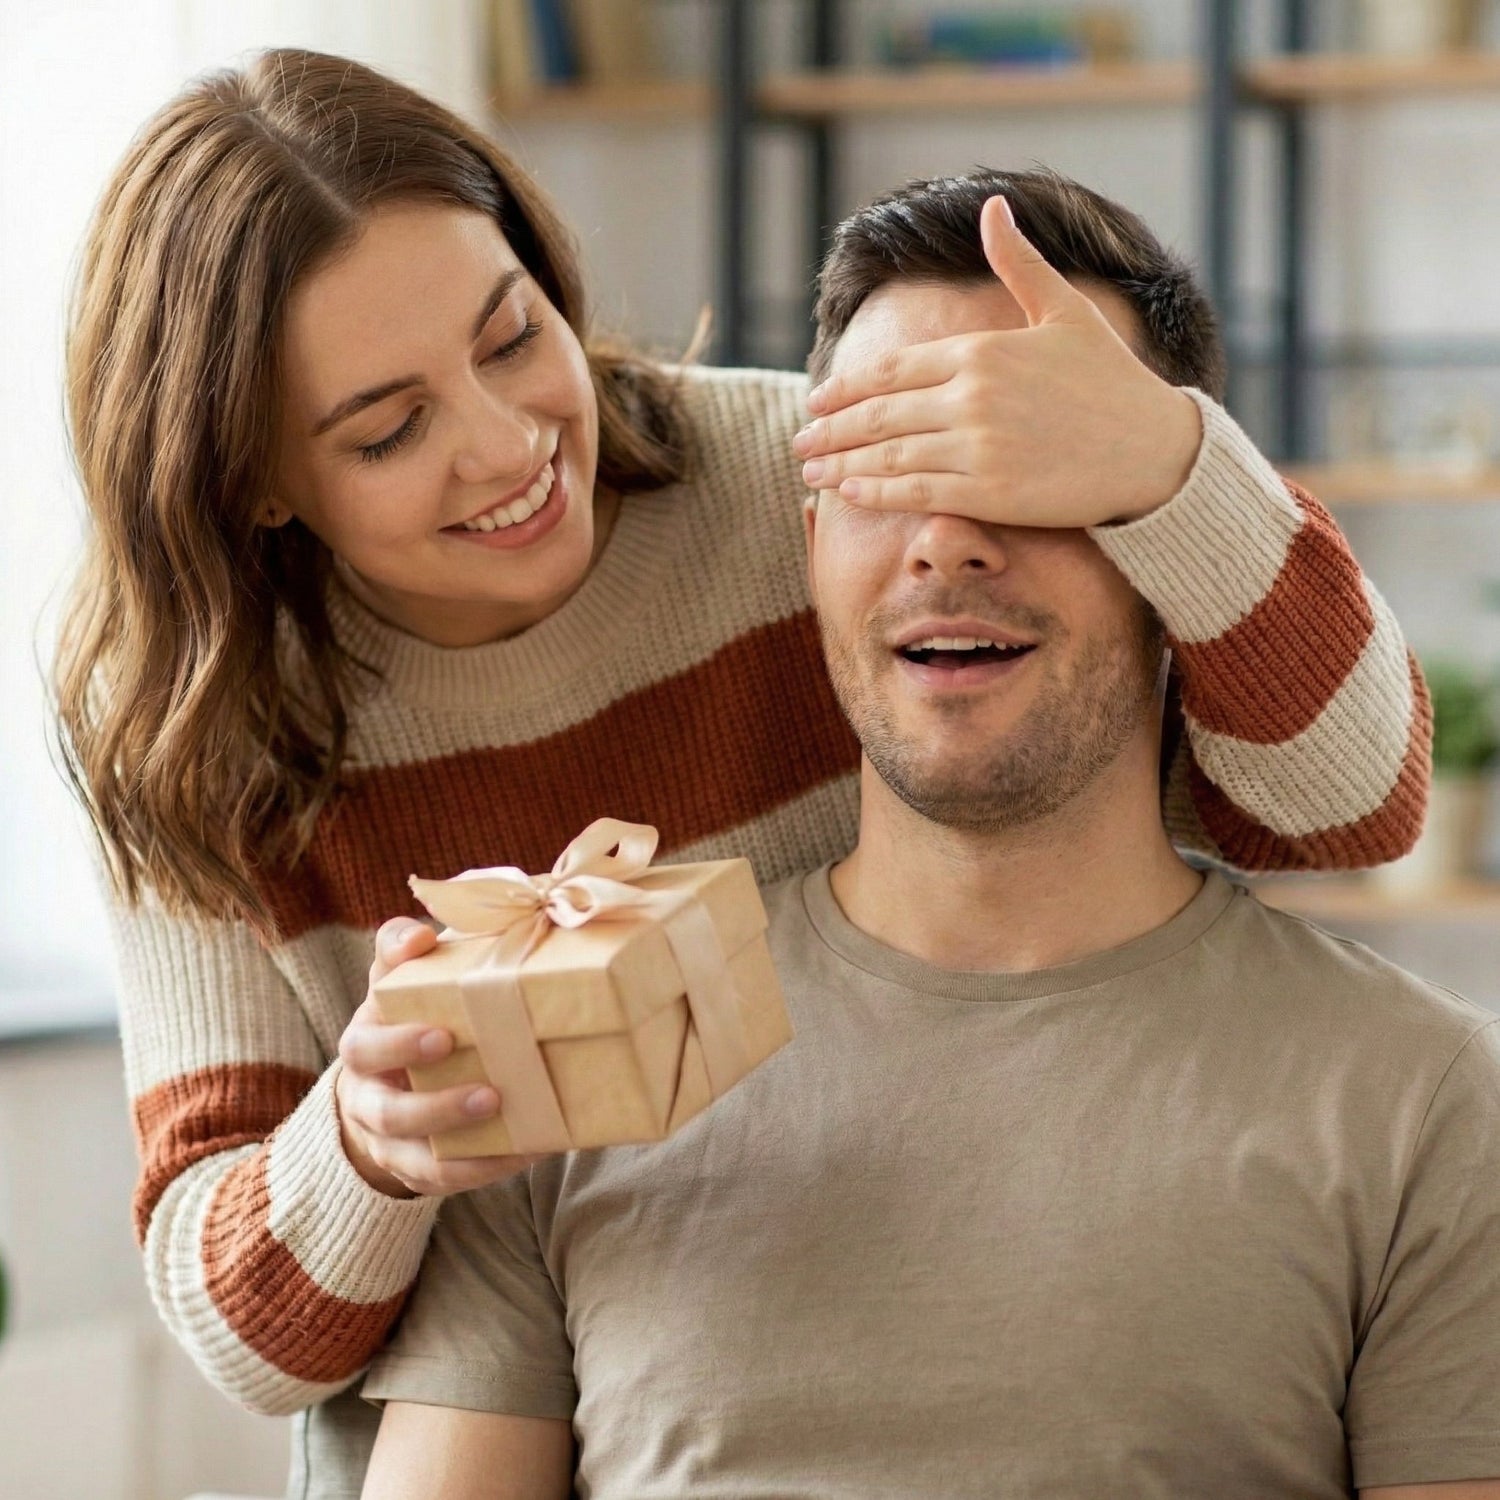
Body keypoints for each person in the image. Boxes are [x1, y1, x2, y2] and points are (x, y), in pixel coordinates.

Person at [51, 48, 1428, 1500]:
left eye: (515, 336)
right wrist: (367, 1144)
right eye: (389, 430)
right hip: (479, 1414)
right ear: (251, 481)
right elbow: (250, 1341)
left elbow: (1348, 803)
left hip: (867, 1342)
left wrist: (1170, 462)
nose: (511, 445)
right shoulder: (190, 726)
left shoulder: (825, 480)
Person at [358, 172, 1500, 1500]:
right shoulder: (584, 1059)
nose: (947, 543)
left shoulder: (1424, 1104)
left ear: (1177, 553)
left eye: (1026, 470)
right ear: (809, 546)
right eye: (886, 475)